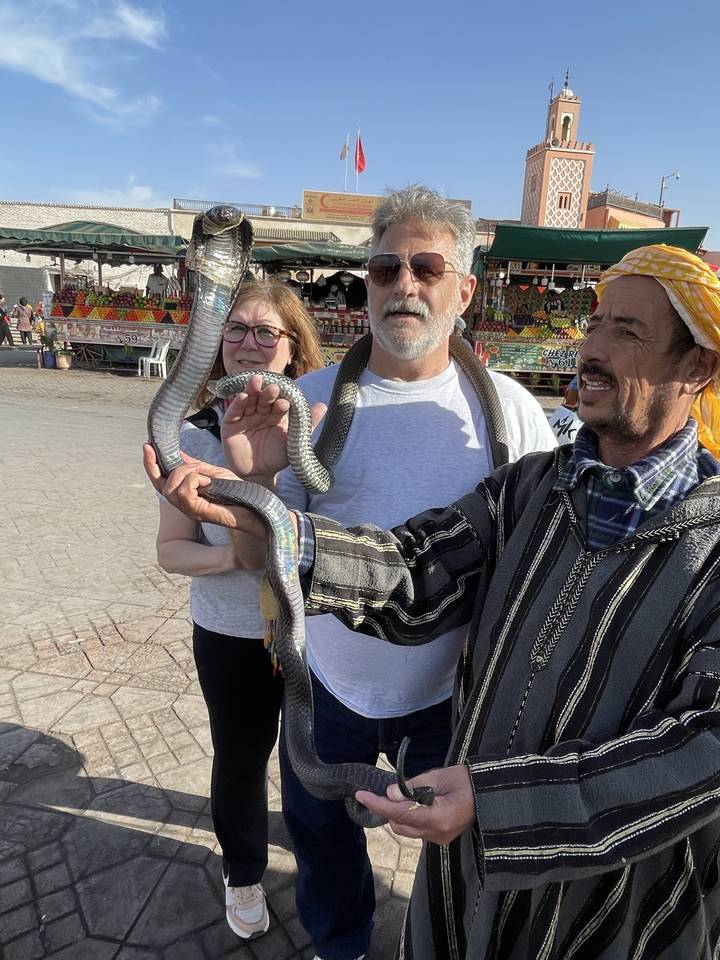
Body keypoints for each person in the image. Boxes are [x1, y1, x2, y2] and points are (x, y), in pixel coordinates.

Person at [148, 243, 720, 959]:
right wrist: (268, 521)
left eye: (626, 332)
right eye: (595, 325)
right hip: (463, 898)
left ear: (697, 367)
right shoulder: (533, 489)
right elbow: (412, 570)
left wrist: (504, 804)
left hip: (613, 916)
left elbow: (705, 747)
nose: (592, 350)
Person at [152, 186, 558, 960]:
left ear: (463, 290)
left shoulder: (511, 411)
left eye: (427, 266)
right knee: (321, 839)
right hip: (327, 683)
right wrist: (258, 484)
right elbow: (263, 556)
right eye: (384, 268)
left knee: (457, 855)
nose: (403, 284)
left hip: (453, 693)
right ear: (366, 284)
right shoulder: (303, 401)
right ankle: (340, 946)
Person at [153, 280, 323, 941]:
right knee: (242, 757)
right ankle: (245, 869)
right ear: (216, 346)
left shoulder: (321, 430)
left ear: (292, 349)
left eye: (266, 332)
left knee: (309, 760)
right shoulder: (189, 437)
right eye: (236, 330)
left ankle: (322, 868)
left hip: (315, 635)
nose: (249, 343)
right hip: (229, 635)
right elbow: (171, 551)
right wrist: (238, 558)